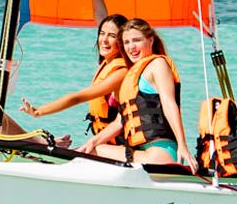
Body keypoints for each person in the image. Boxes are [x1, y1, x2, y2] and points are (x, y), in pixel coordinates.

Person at [76, 19, 192, 167]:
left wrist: (183, 146)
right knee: (90, 149)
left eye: (136, 40)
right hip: (144, 153)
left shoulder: (158, 64)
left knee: (92, 153)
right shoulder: (132, 75)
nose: (131, 47)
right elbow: (120, 121)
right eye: (126, 42)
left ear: (150, 41)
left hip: (160, 153)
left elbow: (169, 104)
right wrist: (90, 142)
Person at [17, 11, 132, 150]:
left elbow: (77, 98)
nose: (104, 40)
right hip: (103, 143)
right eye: (102, 33)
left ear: (122, 41)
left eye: (112, 36)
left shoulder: (121, 71)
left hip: (117, 147)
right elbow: (100, 15)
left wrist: (39, 111)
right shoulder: (108, 63)